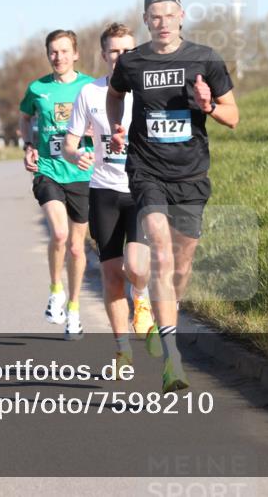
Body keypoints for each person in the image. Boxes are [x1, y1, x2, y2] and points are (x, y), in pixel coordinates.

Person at [106, 0, 239, 392]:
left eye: (169, 15)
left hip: (192, 174)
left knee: (181, 266)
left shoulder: (205, 58)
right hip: (147, 171)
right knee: (161, 254)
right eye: (155, 16)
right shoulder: (132, 62)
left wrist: (208, 106)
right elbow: (115, 94)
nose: (162, 23)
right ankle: (172, 360)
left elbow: (233, 116)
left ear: (181, 16)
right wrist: (116, 126)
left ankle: (167, 313)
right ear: (146, 21)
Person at [64, 23, 154, 369]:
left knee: (137, 267)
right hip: (104, 191)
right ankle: (122, 350)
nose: (120, 57)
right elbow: (70, 143)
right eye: (114, 51)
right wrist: (76, 155)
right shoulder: (89, 93)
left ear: (136, 53)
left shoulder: (146, 90)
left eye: (127, 51)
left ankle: (141, 297)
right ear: (103, 55)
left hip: (141, 189)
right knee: (112, 275)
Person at [19, 29, 94, 340]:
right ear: (47, 54)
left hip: (82, 173)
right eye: (53, 51)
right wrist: (28, 144)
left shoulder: (90, 87)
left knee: (77, 247)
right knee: (60, 233)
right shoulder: (37, 88)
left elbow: (109, 120)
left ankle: (74, 310)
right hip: (48, 171)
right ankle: (55, 291)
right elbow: (25, 117)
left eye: (64, 51)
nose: (58, 57)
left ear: (75, 54)